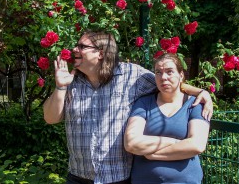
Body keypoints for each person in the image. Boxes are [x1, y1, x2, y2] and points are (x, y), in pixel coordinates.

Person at [43, 30, 213, 184]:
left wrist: (200, 91)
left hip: (117, 179)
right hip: (77, 177)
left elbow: (166, 82)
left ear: (101, 53)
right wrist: (61, 86)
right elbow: (50, 118)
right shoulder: (72, 81)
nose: (75, 49)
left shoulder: (131, 76)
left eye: (82, 46)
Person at [124, 53, 210, 184]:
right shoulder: (143, 103)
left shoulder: (195, 104)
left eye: (170, 72)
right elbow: (131, 143)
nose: (163, 77)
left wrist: (152, 154)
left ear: (181, 75)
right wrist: (175, 142)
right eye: (158, 72)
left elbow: (196, 145)